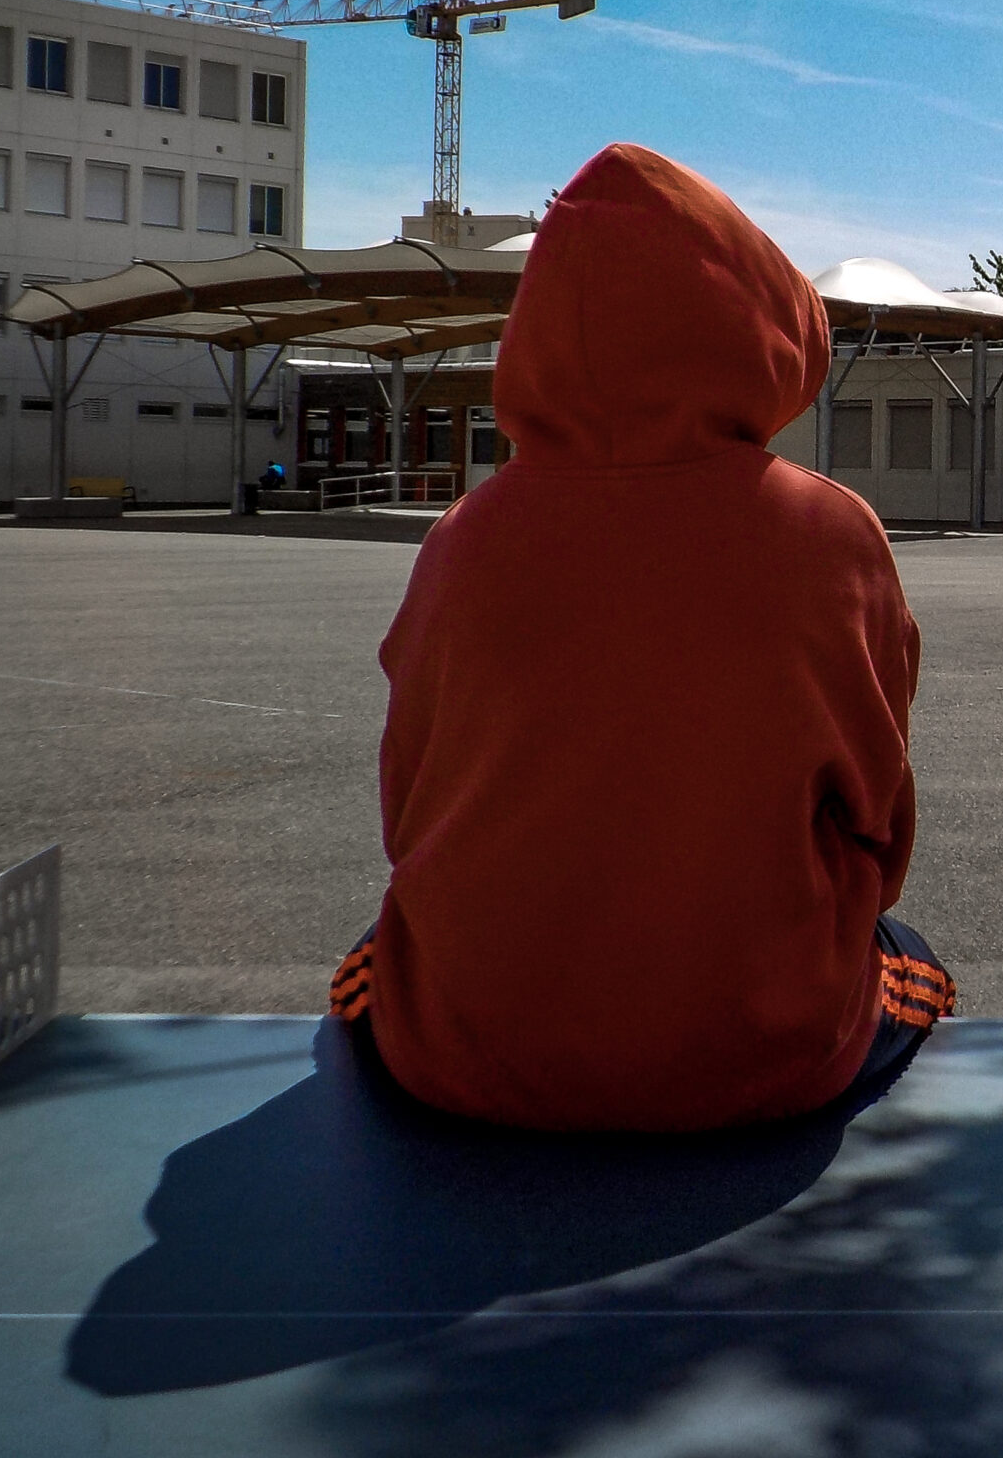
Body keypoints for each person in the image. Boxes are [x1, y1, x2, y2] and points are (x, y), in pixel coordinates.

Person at [326, 143, 949, 1132]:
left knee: (380, 954)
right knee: (906, 950)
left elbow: (410, 807)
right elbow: (877, 814)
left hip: (469, 1054)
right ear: (762, 324)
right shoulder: (830, 534)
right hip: (756, 1050)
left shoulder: (466, 535)